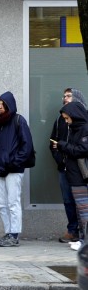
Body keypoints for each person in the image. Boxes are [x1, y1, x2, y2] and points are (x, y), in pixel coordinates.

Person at [0, 91, 34, 247]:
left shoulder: (18, 120)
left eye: (3, 104)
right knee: (1, 203)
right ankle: (8, 232)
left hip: (13, 169)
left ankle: (14, 235)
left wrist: (13, 163)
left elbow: (26, 146)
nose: (0, 107)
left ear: (10, 105)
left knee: (13, 202)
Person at [50, 88, 87, 243]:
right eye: (63, 95)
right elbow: (53, 142)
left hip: (80, 173)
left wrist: (63, 146)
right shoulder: (60, 120)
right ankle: (74, 232)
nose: (65, 98)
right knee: (70, 202)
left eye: (69, 96)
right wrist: (61, 159)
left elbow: (81, 149)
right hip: (66, 169)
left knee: (83, 208)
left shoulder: (82, 125)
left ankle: (83, 238)